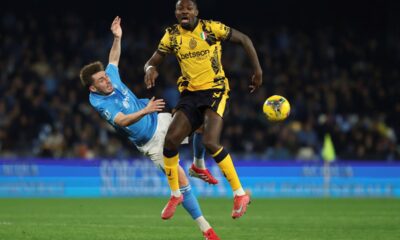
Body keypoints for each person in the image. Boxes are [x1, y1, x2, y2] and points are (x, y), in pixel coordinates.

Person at [80, 16, 220, 240]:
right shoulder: (98, 102)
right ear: (92, 87)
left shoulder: (110, 77)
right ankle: (207, 230)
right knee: (182, 181)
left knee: (203, 123)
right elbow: (122, 121)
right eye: (101, 80)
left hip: (160, 119)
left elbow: (113, 59)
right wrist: (145, 110)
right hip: (150, 142)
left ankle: (198, 164)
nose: (107, 80)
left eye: (105, 76)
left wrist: (117, 38)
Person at [144, 0, 263, 220]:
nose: (184, 12)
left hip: (215, 90)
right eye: (180, 9)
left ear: (196, 12)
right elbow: (152, 61)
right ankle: (175, 194)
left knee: (210, 141)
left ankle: (239, 194)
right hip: (190, 94)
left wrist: (257, 71)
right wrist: (150, 69)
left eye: (189, 8)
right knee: (170, 142)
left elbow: (245, 40)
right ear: (176, 13)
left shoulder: (212, 28)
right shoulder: (171, 35)